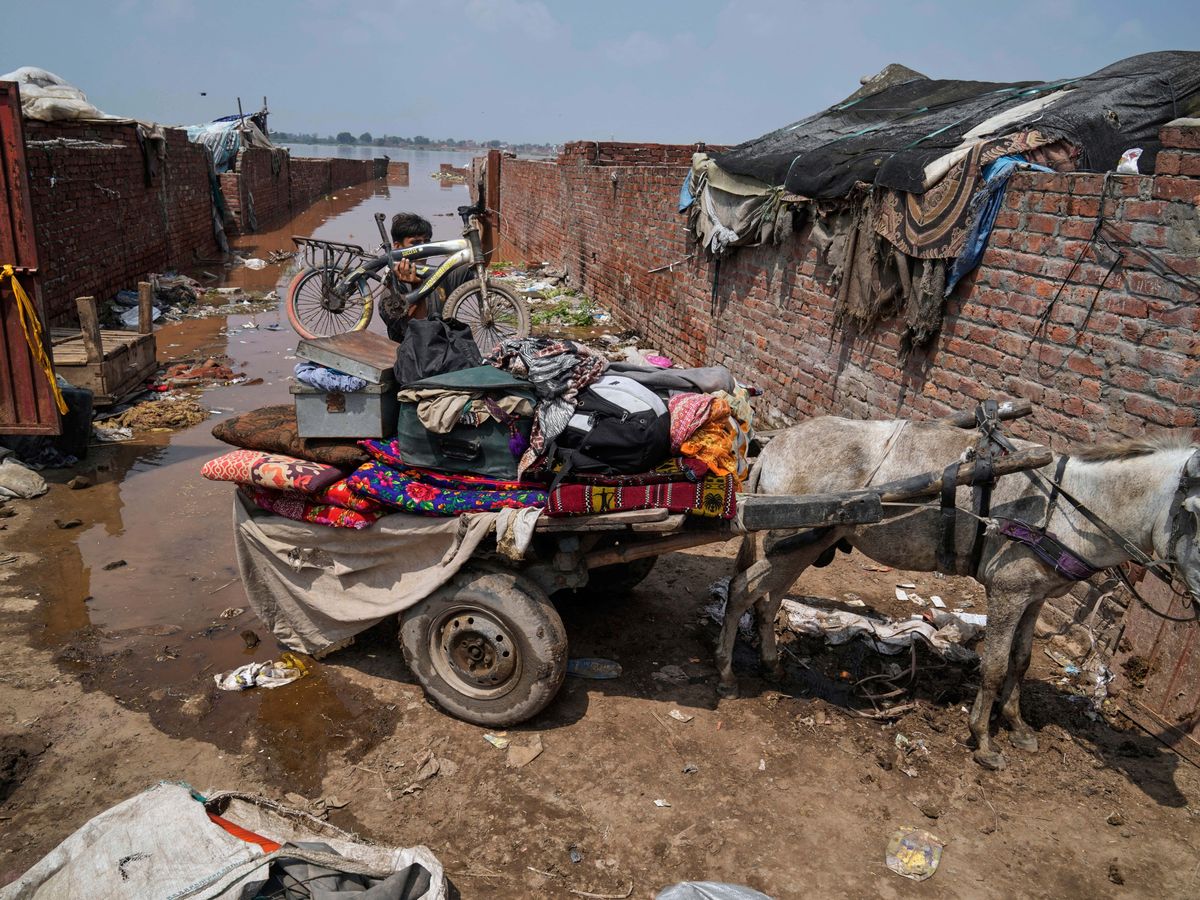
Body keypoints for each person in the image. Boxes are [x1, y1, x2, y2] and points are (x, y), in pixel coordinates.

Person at [381, 212, 473, 343]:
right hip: (413, 358)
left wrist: (485, 224)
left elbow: (479, 260)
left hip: (446, 354)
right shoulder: (390, 294)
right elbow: (420, 334)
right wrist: (416, 287)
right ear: (397, 247)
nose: (422, 249)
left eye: (426, 242)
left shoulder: (440, 274)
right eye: (415, 243)